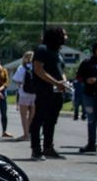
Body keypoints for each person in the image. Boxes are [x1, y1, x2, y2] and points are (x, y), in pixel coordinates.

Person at [30, 27, 73, 160]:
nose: (66, 37)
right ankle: (36, 150)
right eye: (64, 34)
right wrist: (56, 83)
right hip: (44, 91)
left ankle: (48, 148)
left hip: (57, 92)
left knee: (51, 121)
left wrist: (63, 82)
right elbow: (38, 69)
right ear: (56, 35)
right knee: (39, 119)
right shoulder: (42, 49)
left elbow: (61, 70)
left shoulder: (57, 52)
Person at [11, 51, 36, 141]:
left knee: (23, 115)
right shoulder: (36, 67)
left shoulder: (22, 68)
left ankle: (25, 134)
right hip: (35, 94)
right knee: (32, 115)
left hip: (24, 93)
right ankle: (30, 132)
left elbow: (16, 79)